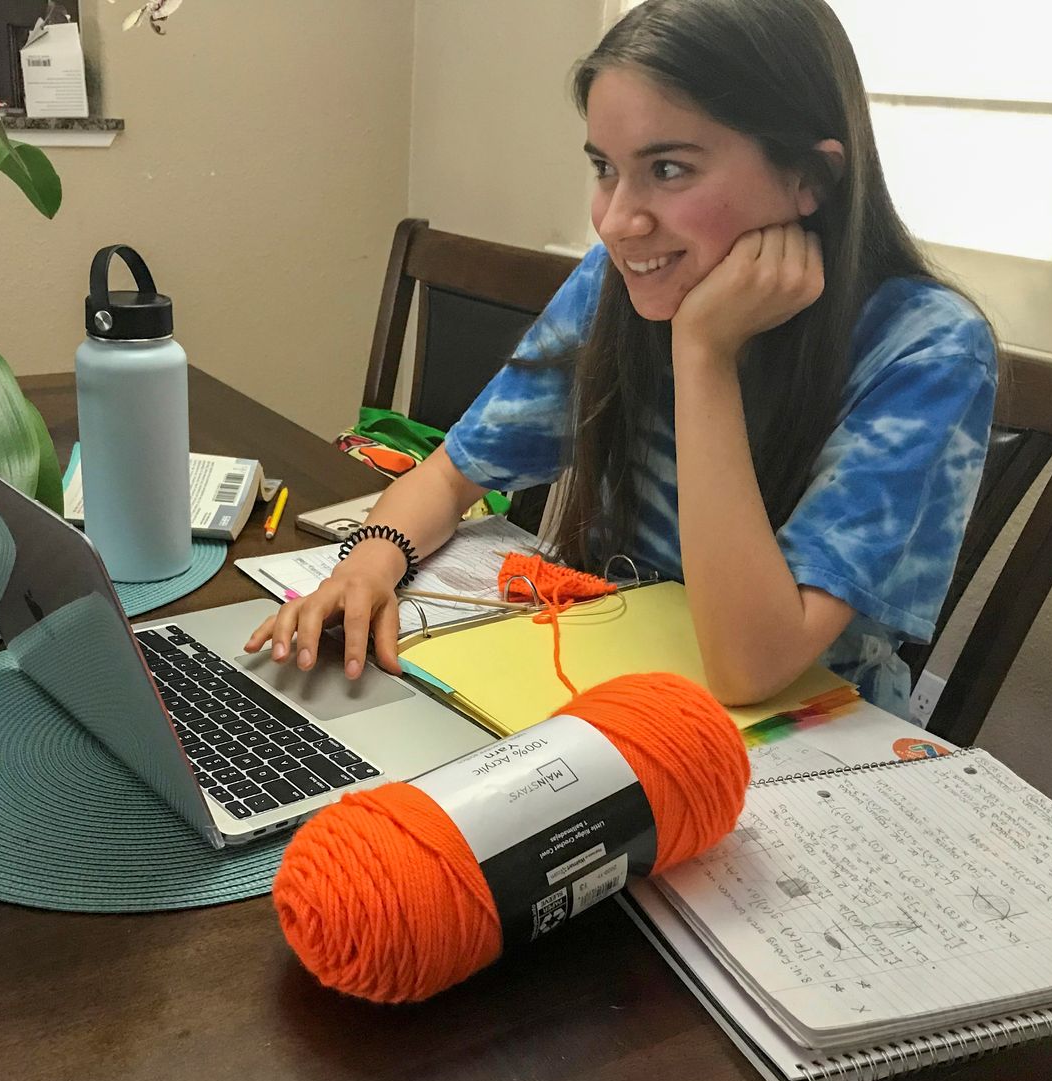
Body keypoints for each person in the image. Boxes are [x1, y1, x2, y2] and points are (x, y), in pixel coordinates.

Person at [247, 0, 997, 719]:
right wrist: (369, 563)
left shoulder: (928, 349)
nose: (616, 221)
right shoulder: (618, 281)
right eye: (606, 168)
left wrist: (703, 353)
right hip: (602, 683)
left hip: (802, 737)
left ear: (811, 178)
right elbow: (450, 474)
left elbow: (751, 665)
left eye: (668, 170)